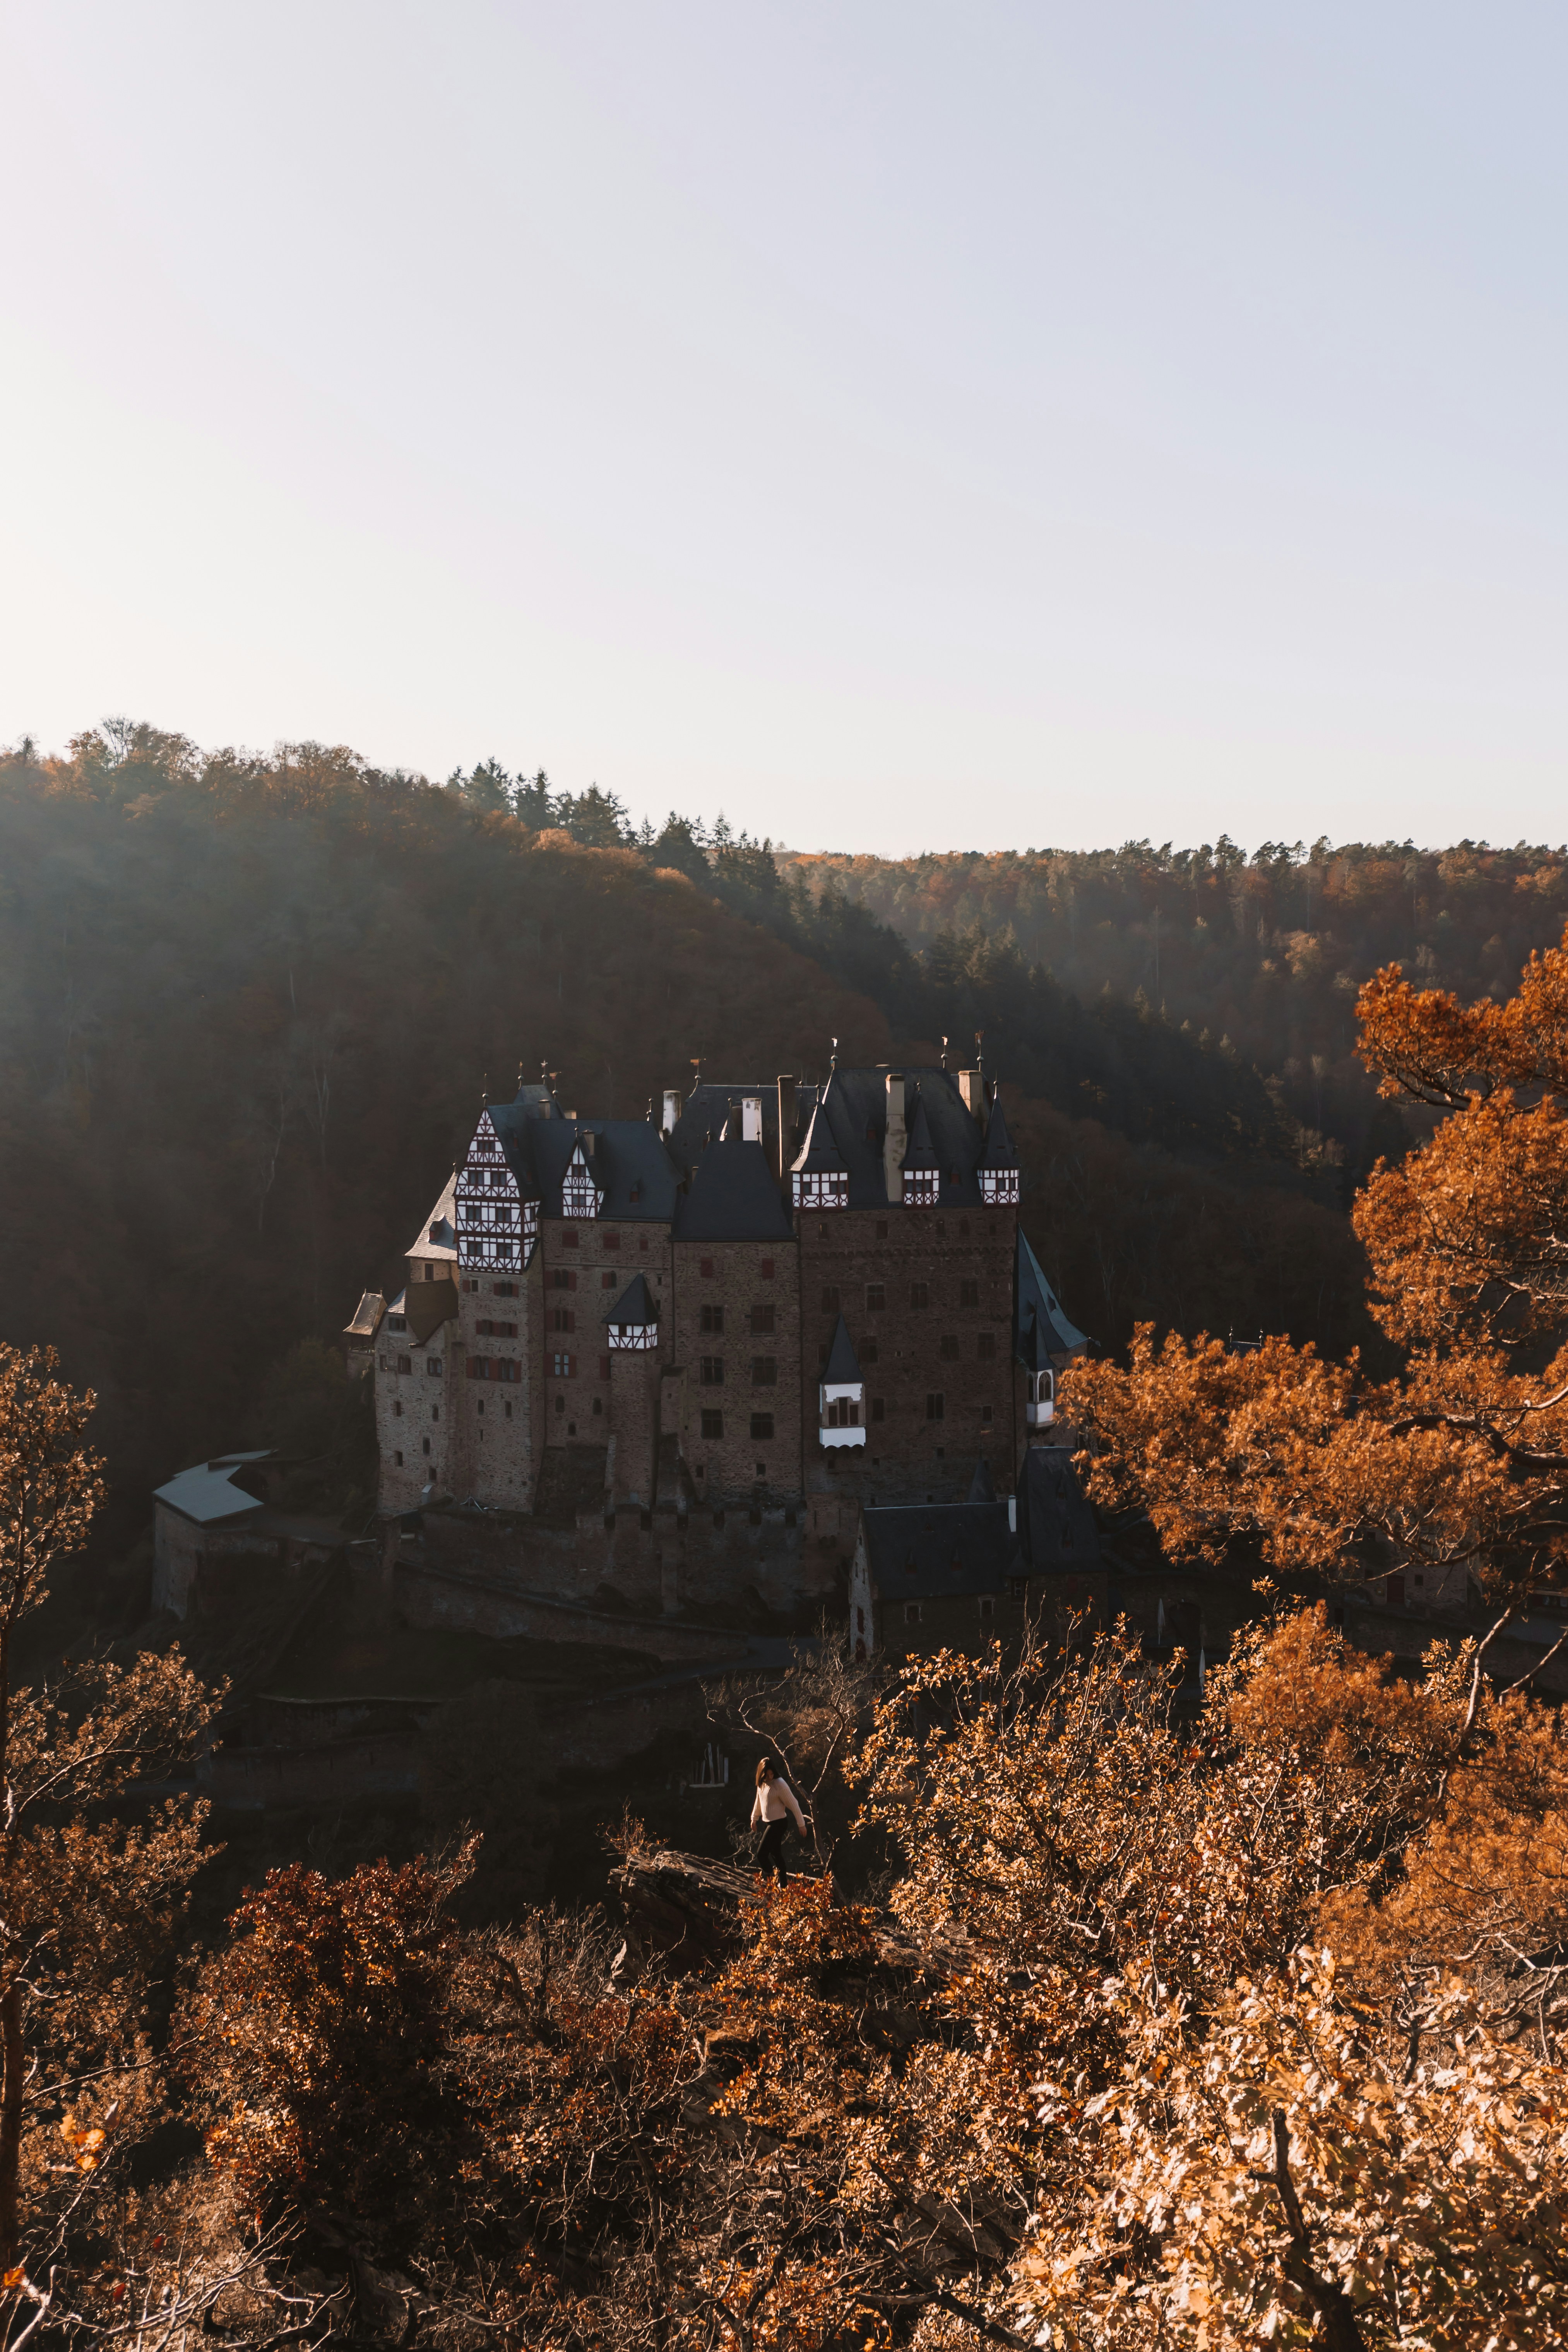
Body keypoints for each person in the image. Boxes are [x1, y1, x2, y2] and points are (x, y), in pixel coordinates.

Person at [750, 1754, 806, 1881]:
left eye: (772, 1774)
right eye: (767, 1775)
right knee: (776, 1854)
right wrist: (755, 1818)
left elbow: (794, 1804)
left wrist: (801, 1824)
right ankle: (783, 1885)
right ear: (762, 1774)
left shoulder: (780, 1785)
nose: (770, 1777)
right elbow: (759, 1801)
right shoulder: (762, 1783)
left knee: (762, 1854)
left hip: (779, 1824)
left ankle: (770, 1883)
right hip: (768, 1823)